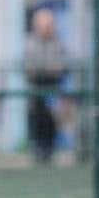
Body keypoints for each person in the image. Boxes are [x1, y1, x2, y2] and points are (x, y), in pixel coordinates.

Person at [23, 8, 66, 164]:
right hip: (36, 88)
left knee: (52, 120)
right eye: (43, 25)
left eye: (49, 25)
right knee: (36, 118)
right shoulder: (29, 43)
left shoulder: (58, 43)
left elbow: (60, 66)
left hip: (52, 87)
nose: (46, 28)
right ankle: (38, 151)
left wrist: (51, 69)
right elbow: (29, 68)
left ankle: (50, 151)